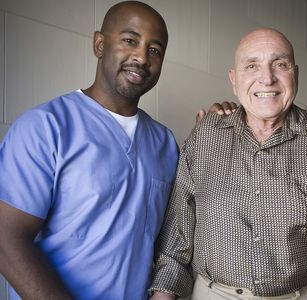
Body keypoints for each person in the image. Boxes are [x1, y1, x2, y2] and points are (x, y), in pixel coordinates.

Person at [0, 1, 231, 299]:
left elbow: (180, 229)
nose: (142, 57)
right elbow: (7, 240)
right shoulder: (46, 127)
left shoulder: (164, 143)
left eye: (155, 50)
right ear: (99, 44)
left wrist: (213, 136)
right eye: (130, 40)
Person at [150, 28, 307, 299]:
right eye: (251, 65)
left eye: (280, 64)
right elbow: (178, 229)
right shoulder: (207, 133)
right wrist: (163, 292)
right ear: (234, 79)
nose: (267, 78)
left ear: (295, 74)